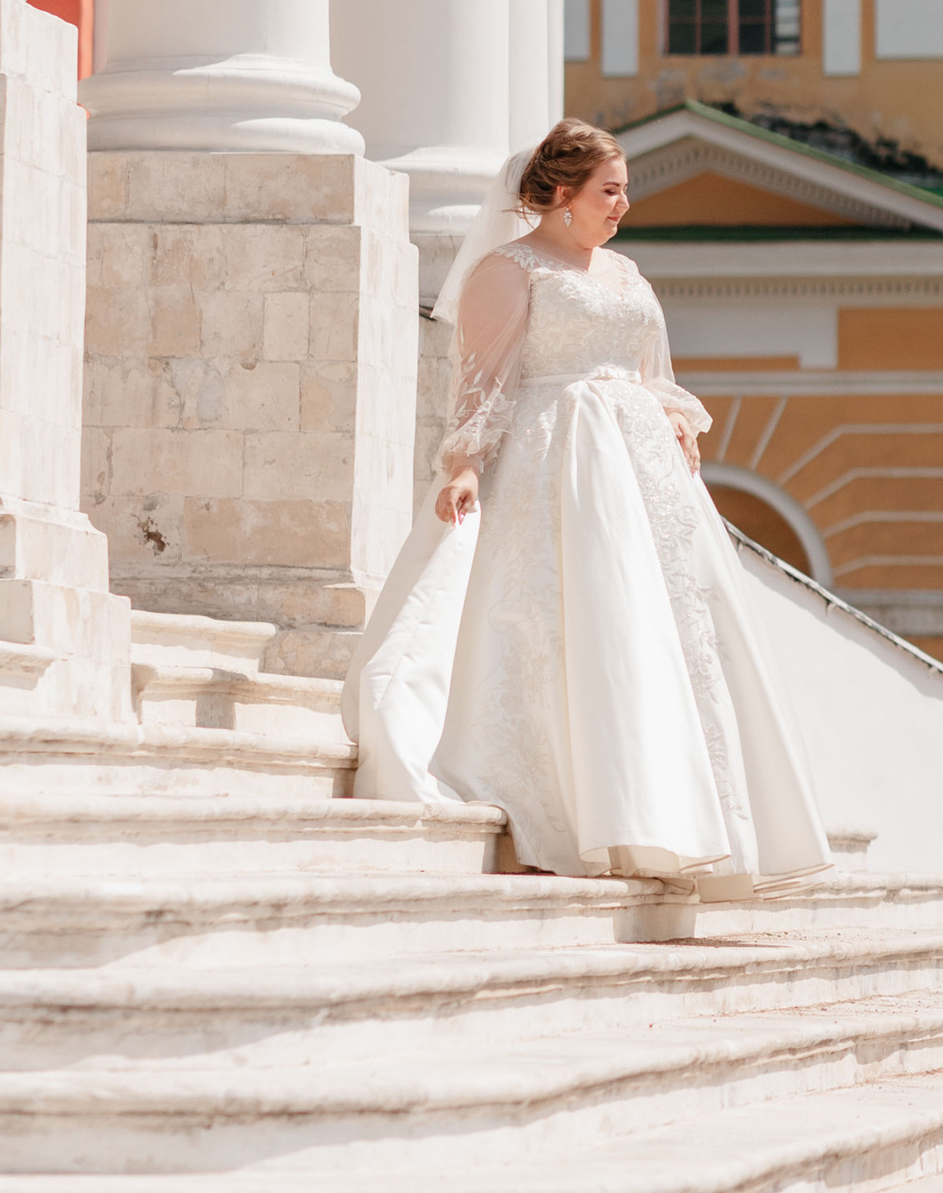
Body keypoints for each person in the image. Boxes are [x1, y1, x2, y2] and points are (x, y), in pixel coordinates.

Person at [344, 120, 830, 892]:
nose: (623, 205)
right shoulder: (510, 271)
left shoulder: (626, 273)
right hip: (554, 457)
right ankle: (561, 808)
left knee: (655, 632)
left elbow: (650, 369)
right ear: (562, 194)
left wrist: (673, 416)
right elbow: (485, 381)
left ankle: (667, 813)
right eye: (609, 190)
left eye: (624, 189)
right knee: (558, 624)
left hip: (641, 474)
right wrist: (464, 465)